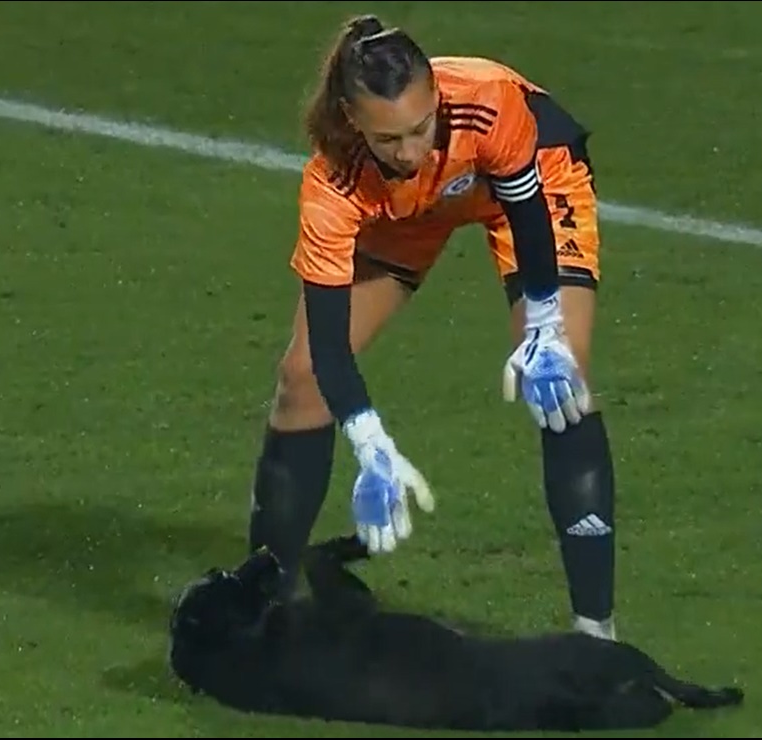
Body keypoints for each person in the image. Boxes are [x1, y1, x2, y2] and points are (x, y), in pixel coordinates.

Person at [244, 13, 619, 640]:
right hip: (404, 211)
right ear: (351, 119)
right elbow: (332, 345)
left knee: (563, 382)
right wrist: (371, 443)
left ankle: (595, 632)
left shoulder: (487, 103)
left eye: (422, 127)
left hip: (520, 181)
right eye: (390, 139)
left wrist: (544, 327)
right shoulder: (333, 183)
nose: (412, 150)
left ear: (438, 100)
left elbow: (525, 210)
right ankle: (263, 610)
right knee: (302, 377)